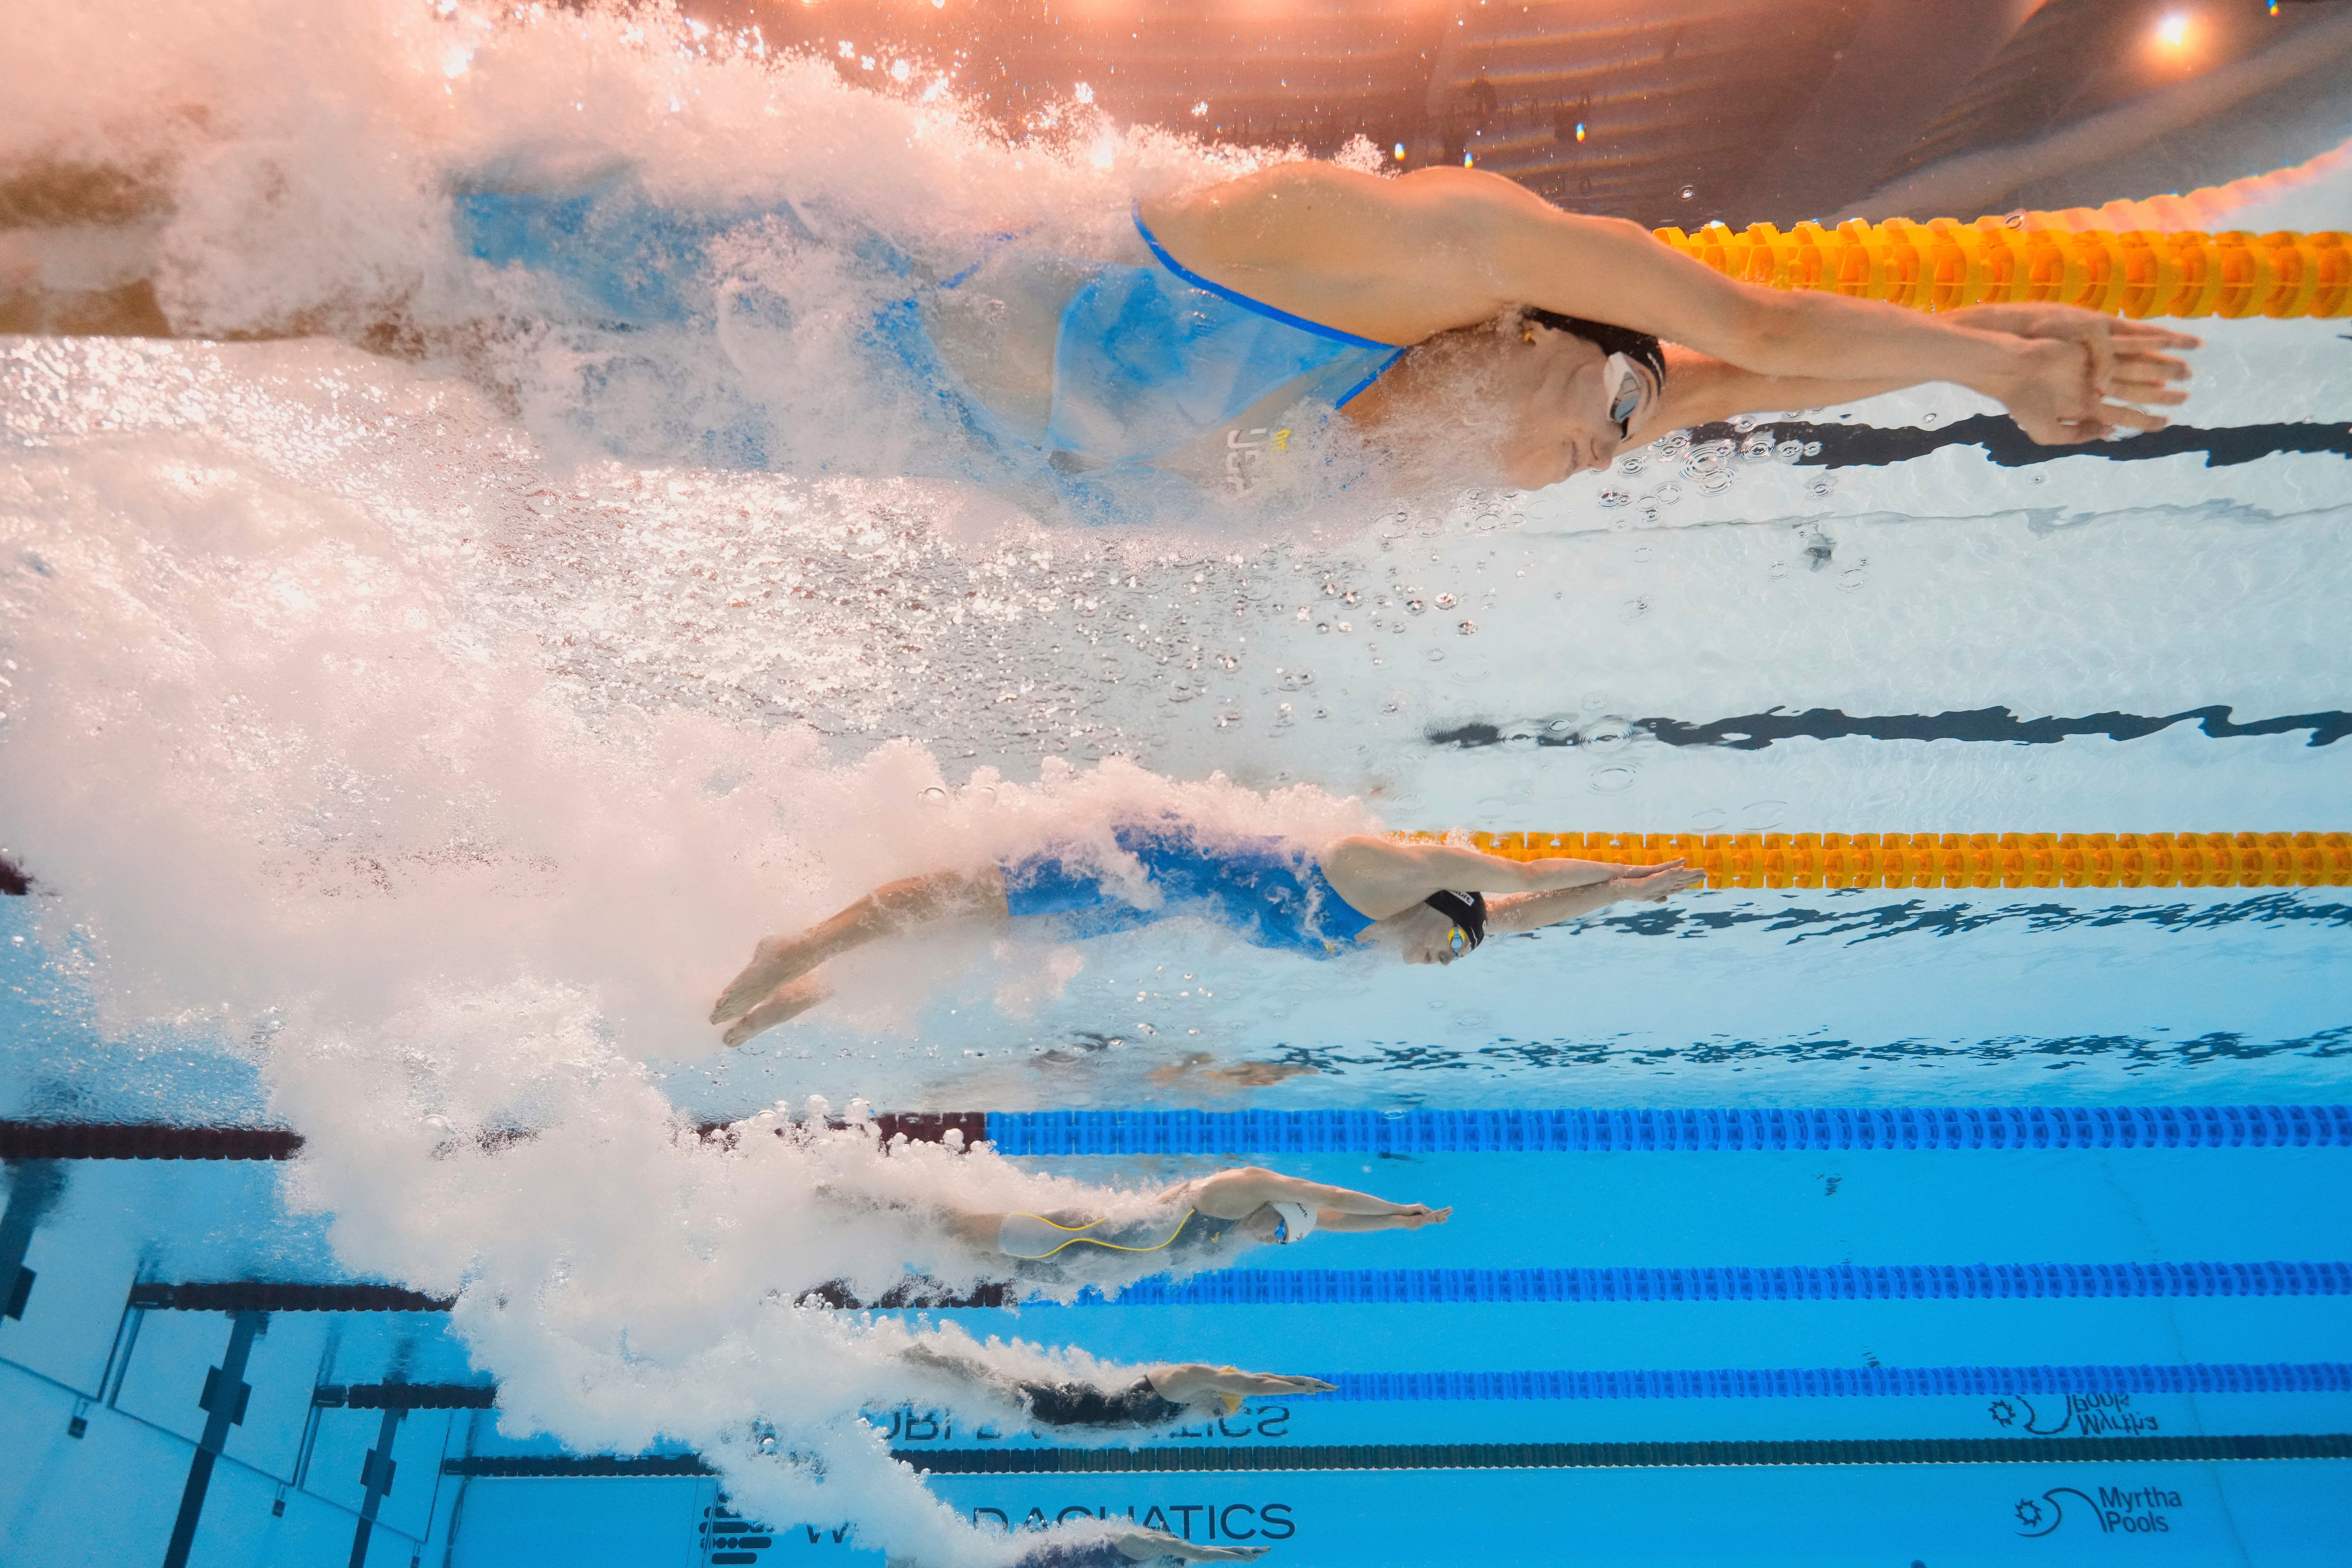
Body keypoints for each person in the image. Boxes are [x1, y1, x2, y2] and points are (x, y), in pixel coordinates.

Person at [6, 157, 2198, 513]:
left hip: (777, 403)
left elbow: (1737, 382)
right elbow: (1750, 326)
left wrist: (1941, 376)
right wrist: (1987, 354)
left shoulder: (1448, 435)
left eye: (1610, 444)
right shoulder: (1391, 249)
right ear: (1553, 321)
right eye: (1607, 392)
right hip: (767, 256)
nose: (1589, 442)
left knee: (335, 330)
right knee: (286, 220)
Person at [709, 818, 1702, 1045]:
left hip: (1146, 902)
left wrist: (1618, 901)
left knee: (971, 937)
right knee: (967, 902)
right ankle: (800, 946)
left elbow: (1520, 916)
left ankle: (804, 986)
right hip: (1141, 853)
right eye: (1452, 946)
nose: (1441, 964)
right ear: (1438, 909)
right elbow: (1518, 882)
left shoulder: (1385, 935)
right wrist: (1619, 868)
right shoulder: (1382, 876)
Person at [925, 1162, 1450, 1286]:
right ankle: (894, 1205)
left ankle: (901, 1223)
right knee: (946, 1228)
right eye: (1279, 1229)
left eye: (1284, 1243)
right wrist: (1401, 1206)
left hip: (1073, 1267)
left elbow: (1331, 1220)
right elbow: (1329, 1199)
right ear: (1273, 1206)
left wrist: (1394, 1226)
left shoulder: (1245, 1229)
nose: (1273, 1240)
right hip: (1067, 1237)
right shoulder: (1235, 1192)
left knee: (952, 1253)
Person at [901, 1342, 1333, 1432]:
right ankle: (926, 1358)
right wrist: (1302, 1388)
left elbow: (1252, 1381)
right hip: (1068, 1407)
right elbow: (1252, 1384)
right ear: (1217, 1394)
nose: (1214, 1418)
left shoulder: (1190, 1399)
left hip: (1069, 1415)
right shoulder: (1186, 1381)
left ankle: (925, 1364)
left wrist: (1293, 1380)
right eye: (1221, 1410)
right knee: (986, 1382)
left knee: (988, 1386)